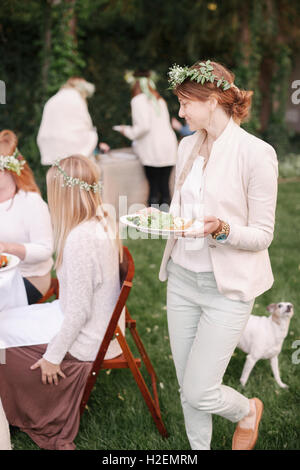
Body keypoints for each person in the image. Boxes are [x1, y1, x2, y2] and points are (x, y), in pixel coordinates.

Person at [159, 60, 278, 450]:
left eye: (184, 104)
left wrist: (222, 229)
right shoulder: (186, 145)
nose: (180, 112)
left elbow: (262, 234)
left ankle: (247, 411)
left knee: (199, 390)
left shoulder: (256, 153)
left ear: (211, 100)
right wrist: (157, 218)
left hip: (227, 289)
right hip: (181, 279)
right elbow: (182, 211)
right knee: (185, 384)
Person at [0, 155, 123, 450]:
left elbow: (79, 312)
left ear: (64, 193)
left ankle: (14, 413)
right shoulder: (101, 217)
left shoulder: (82, 238)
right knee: (5, 321)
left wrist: (53, 357)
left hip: (84, 335)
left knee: (1, 335)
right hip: (77, 315)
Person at [0, 129, 53, 304]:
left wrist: (8, 247)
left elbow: (45, 250)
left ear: (9, 169)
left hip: (30, 277)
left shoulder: (31, 202)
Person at [113, 70, 178, 206]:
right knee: (165, 187)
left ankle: (153, 222)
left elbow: (143, 127)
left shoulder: (138, 100)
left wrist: (127, 131)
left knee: (154, 187)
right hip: (168, 146)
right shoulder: (159, 100)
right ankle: (167, 221)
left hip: (153, 147)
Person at [37, 77, 110, 165]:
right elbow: (87, 123)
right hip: (71, 142)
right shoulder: (76, 97)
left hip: (50, 144)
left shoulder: (53, 98)